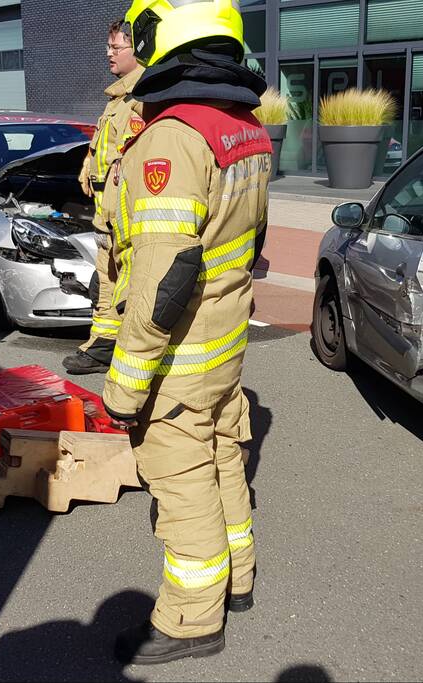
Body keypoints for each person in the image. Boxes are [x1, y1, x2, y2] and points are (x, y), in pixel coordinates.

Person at [102, 0, 272, 665]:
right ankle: (238, 577)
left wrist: (124, 387)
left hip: (180, 356)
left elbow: (162, 281)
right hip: (225, 345)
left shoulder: (173, 137)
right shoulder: (246, 129)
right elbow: (251, 243)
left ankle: (191, 617)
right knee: (225, 454)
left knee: (182, 478)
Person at [63, 19, 146, 375]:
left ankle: (111, 350)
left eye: (115, 47)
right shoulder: (118, 98)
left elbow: (127, 163)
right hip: (106, 211)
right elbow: (104, 150)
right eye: (108, 47)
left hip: (118, 215)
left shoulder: (140, 99)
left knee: (117, 285)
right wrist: (87, 166)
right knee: (107, 282)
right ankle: (101, 346)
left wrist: (110, 217)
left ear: (136, 50)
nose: (108, 53)